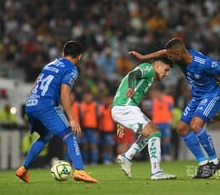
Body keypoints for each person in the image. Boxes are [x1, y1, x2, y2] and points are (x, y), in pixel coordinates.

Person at [129, 38, 220, 178]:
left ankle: (214, 161)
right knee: (182, 128)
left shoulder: (201, 63)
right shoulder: (179, 56)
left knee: (196, 125)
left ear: (178, 55)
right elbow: (164, 52)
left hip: (212, 95)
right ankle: (203, 164)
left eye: (170, 56)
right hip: (197, 97)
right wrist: (143, 57)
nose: (168, 57)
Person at [15, 40, 99, 183]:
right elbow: (64, 95)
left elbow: (36, 83)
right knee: (70, 136)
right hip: (46, 106)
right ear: (80, 56)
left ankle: (23, 169)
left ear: (63, 53)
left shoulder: (50, 64)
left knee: (45, 136)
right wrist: (72, 118)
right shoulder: (71, 68)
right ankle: (79, 170)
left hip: (31, 103)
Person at [112, 57, 177, 180]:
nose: (166, 74)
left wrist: (119, 119)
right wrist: (131, 87)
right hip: (125, 107)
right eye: (166, 69)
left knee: (153, 131)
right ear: (157, 65)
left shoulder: (150, 75)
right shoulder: (149, 69)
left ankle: (127, 156)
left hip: (123, 108)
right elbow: (133, 74)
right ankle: (156, 171)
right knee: (154, 133)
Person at [149, 83, 173, 161]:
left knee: (166, 140)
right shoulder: (154, 101)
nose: (153, 93)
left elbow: (171, 109)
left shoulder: (168, 99)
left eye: (154, 92)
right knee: (156, 140)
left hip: (165, 123)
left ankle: (167, 155)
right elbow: (151, 112)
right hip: (155, 123)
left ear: (159, 92)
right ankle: (157, 156)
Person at [79, 90, 99, 165]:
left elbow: (99, 118)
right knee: (85, 146)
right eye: (86, 96)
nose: (87, 97)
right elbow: (79, 117)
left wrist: (98, 130)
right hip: (84, 129)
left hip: (93, 129)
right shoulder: (81, 106)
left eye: (89, 96)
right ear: (83, 97)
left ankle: (94, 162)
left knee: (93, 145)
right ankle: (85, 162)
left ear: (92, 97)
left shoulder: (95, 105)